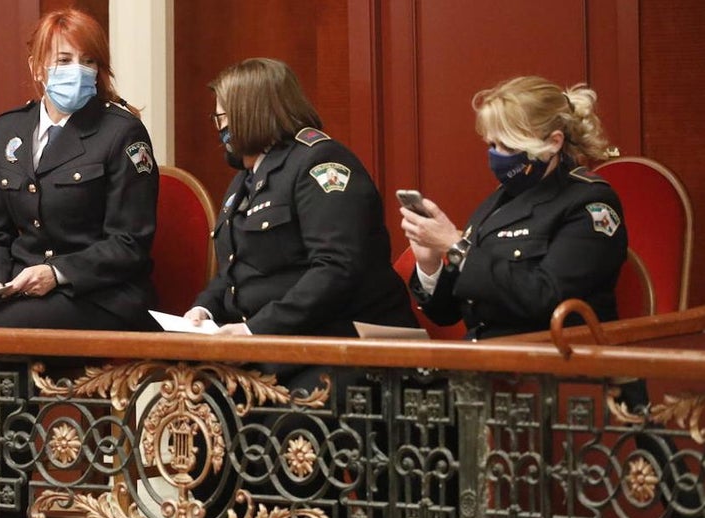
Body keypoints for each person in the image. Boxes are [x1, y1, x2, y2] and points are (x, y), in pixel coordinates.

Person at [184, 57, 416, 336]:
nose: (218, 128)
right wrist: (204, 310)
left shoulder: (319, 162)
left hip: (340, 341)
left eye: (221, 117)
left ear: (249, 114)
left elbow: (336, 269)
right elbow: (235, 270)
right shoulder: (244, 180)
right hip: (274, 340)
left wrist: (254, 330)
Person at [0, 8, 159, 331]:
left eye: (88, 61)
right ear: (37, 68)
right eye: (65, 60)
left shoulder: (121, 132)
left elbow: (129, 242)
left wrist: (56, 273)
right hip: (22, 288)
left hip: (100, 295)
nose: (79, 71)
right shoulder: (7, 130)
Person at [399, 75, 627, 339]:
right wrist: (429, 264)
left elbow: (545, 298)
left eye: (508, 146)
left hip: (551, 362)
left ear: (553, 142)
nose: (496, 156)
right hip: (486, 360)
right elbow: (447, 313)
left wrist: (456, 246)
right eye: (492, 145)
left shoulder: (590, 203)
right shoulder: (499, 201)